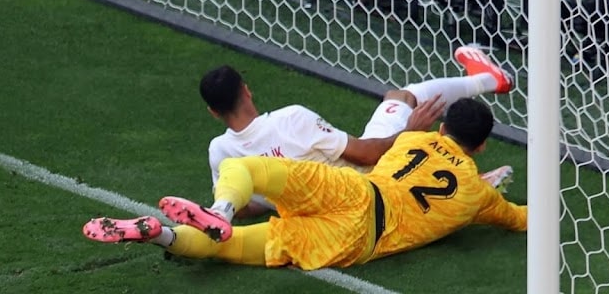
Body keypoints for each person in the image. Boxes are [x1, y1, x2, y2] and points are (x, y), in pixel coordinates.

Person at [82, 97, 526, 270]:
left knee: (252, 169)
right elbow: (522, 220)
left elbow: (382, 143)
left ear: (443, 127)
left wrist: (411, 123)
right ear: (483, 147)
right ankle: (162, 234)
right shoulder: (478, 195)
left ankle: (220, 210)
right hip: (357, 239)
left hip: (352, 189)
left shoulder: (414, 137)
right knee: (232, 248)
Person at [201, 45, 514, 218]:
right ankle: (487, 80)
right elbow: (365, 153)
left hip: (322, 219)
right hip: (366, 186)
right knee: (401, 98)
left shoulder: (220, 152)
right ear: (247, 90)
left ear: (213, 112)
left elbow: (242, 208)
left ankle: (470, 183)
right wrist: (408, 131)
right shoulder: (290, 119)